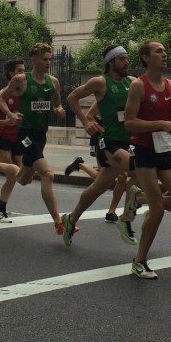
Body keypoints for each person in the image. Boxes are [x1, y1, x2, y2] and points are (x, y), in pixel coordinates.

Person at [122, 40, 171, 279]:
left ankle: (137, 196)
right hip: (143, 152)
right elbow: (129, 122)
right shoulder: (138, 86)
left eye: (165, 50)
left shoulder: (169, 85)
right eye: (158, 51)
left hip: (164, 151)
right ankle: (139, 261)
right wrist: (160, 125)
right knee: (158, 209)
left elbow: (166, 121)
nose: (164, 54)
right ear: (145, 58)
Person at [60, 45, 136, 246]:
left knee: (98, 187)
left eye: (128, 58)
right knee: (138, 169)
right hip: (109, 141)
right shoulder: (101, 82)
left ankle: (71, 219)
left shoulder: (133, 83)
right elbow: (72, 97)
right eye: (122, 59)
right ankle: (126, 218)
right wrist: (86, 121)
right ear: (111, 62)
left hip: (129, 140)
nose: (127, 62)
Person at [0, 42, 67, 235]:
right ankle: (58, 222)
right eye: (44, 59)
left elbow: (57, 102)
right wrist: (10, 114)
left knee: (24, 179)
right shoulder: (21, 80)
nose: (48, 63)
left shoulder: (53, 82)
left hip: (41, 135)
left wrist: (58, 110)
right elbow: (0, 98)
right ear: (33, 59)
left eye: (50, 59)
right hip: (25, 134)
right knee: (47, 174)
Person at [0, 58, 28, 223]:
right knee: (11, 173)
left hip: (19, 138)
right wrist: (7, 122)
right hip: (3, 137)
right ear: (11, 73)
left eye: (24, 70)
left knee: (20, 175)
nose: (23, 74)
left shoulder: (26, 93)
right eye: (19, 71)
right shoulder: (3, 94)